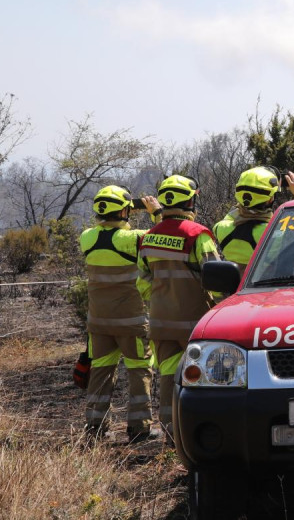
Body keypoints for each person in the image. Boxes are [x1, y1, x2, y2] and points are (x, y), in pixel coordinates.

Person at [138, 175, 220, 445]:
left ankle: (171, 434)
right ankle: (198, 435)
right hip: (195, 324)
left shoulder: (149, 237)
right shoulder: (198, 235)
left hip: (161, 322)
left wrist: (164, 300)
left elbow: (143, 282)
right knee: (203, 379)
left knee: (167, 378)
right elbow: (217, 278)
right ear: (190, 199)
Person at [79, 186, 161, 443]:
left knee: (101, 372)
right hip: (132, 322)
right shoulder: (133, 238)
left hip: (99, 323)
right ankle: (140, 427)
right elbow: (164, 234)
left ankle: (94, 425)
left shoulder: (87, 237)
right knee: (139, 371)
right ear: (125, 210)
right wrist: (155, 211)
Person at [212, 166, 294, 273]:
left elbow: (236, 212)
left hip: (233, 288)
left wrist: (248, 191)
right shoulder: (276, 232)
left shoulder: (220, 228)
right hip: (264, 287)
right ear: (270, 199)